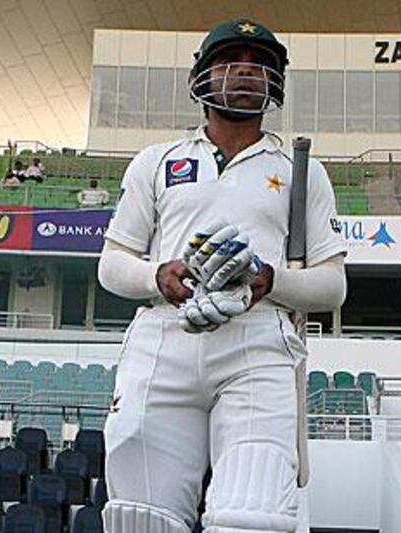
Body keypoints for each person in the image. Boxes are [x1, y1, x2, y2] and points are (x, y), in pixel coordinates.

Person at [97, 19, 347, 533]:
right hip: (165, 336)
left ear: (274, 85)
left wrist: (268, 282)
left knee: (250, 519)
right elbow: (112, 265)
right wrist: (158, 276)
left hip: (257, 345)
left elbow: (331, 286)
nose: (246, 73)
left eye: (260, 66)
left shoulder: (302, 170)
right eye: (230, 61)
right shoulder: (157, 161)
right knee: (140, 521)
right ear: (203, 76)